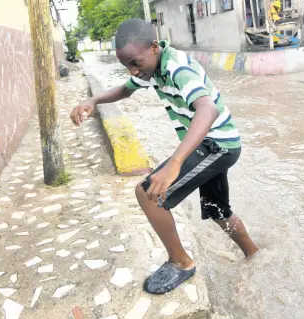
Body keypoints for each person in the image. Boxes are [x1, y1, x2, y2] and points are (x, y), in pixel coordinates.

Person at [70, 19, 259, 295]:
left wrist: (175, 163)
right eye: (128, 66)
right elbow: (125, 89)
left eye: (136, 63)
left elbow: (207, 110)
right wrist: (94, 101)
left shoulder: (176, 67)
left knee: (149, 193)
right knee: (218, 210)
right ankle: (254, 255)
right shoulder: (152, 67)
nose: (134, 71)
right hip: (217, 144)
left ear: (154, 47)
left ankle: (181, 263)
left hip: (217, 145)